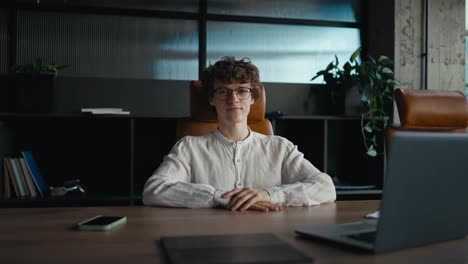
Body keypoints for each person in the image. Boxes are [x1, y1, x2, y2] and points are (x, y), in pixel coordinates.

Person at [143, 57, 336, 211]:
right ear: (211, 98)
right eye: (223, 91)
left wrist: (269, 195)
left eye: (242, 90)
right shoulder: (189, 147)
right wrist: (220, 198)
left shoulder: (280, 147)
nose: (233, 99)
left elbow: (325, 187)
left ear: (253, 98)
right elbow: (153, 190)